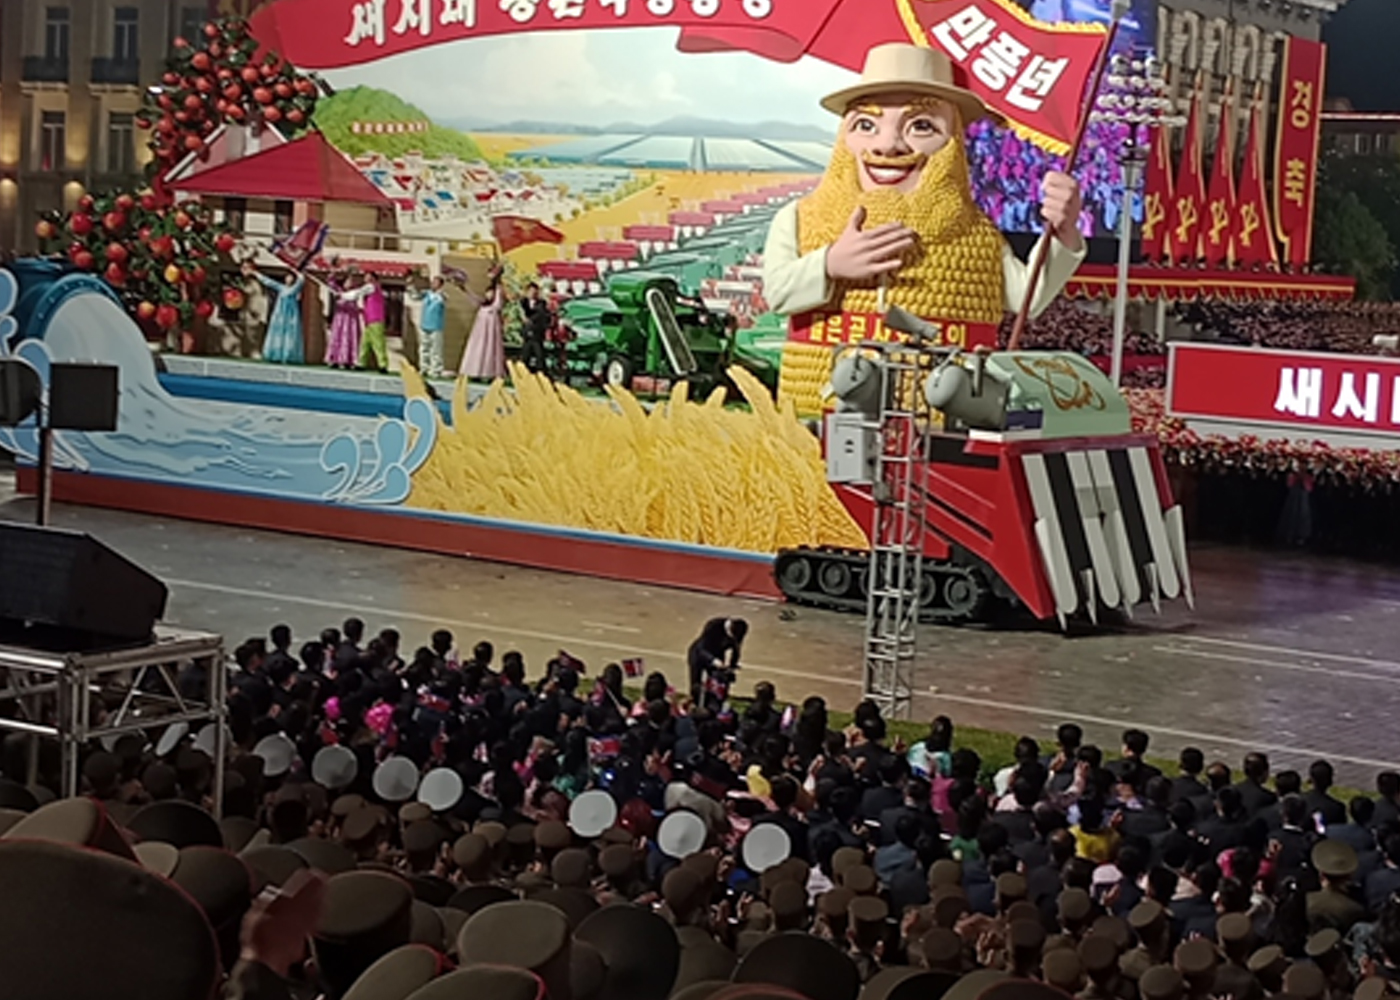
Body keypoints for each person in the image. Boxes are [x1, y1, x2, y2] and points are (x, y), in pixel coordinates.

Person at [761, 42, 1085, 416]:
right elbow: (779, 294)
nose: (887, 145)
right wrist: (829, 264)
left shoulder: (977, 234)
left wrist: (1063, 233)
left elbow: (1028, 297)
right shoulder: (799, 217)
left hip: (938, 420)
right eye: (866, 125)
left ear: (952, 144)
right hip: (818, 410)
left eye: (921, 126)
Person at [245, 262, 305, 364]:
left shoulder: (295, 289)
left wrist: (296, 270)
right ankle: (275, 354)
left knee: (289, 334)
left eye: (290, 278)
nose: (288, 279)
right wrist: (255, 273)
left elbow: (302, 279)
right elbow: (268, 281)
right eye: (287, 277)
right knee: (277, 333)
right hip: (280, 315)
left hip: (290, 316)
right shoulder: (281, 288)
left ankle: (288, 356)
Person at [685, 616, 747, 707]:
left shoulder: (740, 631)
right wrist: (713, 660)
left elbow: (736, 648)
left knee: (720, 678)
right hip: (700, 654)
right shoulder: (713, 625)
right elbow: (702, 648)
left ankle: (716, 700)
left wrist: (732, 664)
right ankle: (695, 701)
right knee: (696, 681)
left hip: (718, 652)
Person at [459, 263, 507, 380]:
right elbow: (476, 299)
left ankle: (488, 371)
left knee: (489, 347)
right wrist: (465, 290)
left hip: (490, 325)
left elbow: (498, 304)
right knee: (478, 347)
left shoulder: (498, 291)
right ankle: (474, 370)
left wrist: (498, 284)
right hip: (481, 327)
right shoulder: (484, 304)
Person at [324, 270, 371, 369]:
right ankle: (335, 359)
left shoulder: (354, 293)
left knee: (351, 338)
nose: (350, 283)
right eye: (348, 281)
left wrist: (360, 310)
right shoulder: (338, 291)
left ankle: (349, 360)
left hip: (352, 319)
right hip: (340, 319)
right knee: (338, 338)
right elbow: (330, 283)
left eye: (352, 281)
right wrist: (333, 270)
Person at [409, 276, 447, 378]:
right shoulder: (426, 294)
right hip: (425, 324)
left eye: (436, 282)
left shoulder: (442, 296)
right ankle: (424, 368)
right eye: (432, 282)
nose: (433, 284)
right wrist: (411, 285)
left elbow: (444, 299)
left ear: (440, 285)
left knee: (436, 349)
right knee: (423, 348)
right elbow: (415, 296)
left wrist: (439, 294)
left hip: (436, 326)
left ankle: (436, 370)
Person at [358, 273, 389, 373]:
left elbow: (357, 293)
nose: (366, 280)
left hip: (376, 319)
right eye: (365, 278)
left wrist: (343, 295)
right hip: (368, 319)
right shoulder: (369, 289)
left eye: (369, 278)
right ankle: (361, 363)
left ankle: (383, 365)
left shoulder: (372, 287)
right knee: (365, 342)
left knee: (378, 343)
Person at [519, 281, 551, 373]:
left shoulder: (541, 303)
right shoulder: (523, 302)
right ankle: (523, 373)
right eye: (531, 291)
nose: (533, 293)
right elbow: (522, 313)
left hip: (537, 333)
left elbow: (541, 315)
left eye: (535, 291)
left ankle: (541, 373)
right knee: (525, 354)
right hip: (527, 333)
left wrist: (530, 320)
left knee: (539, 355)